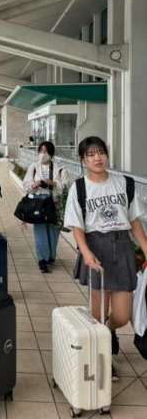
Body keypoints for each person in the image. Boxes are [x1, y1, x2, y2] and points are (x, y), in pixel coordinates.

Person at [64, 136, 147, 381]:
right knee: (98, 313)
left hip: (122, 247)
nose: (97, 158)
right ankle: (104, 359)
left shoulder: (124, 183)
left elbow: (134, 221)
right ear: (83, 160)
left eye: (100, 152)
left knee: (122, 315)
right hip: (96, 248)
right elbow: (77, 226)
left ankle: (109, 331)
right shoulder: (79, 188)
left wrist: (145, 248)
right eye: (90, 154)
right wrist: (86, 252)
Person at [23, 141, 65, 274]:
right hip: (38, 203)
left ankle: (50, 256)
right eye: (41, 150)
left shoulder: (59, 168)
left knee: (53, 231)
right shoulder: (34, 167)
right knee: (40, 231)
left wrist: (52, 183)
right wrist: (34, 185)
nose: (42, 153)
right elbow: (26, 185)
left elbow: (64, 188)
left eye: (45, 151)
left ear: (51, 153)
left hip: (54, 203)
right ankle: (42, 259)